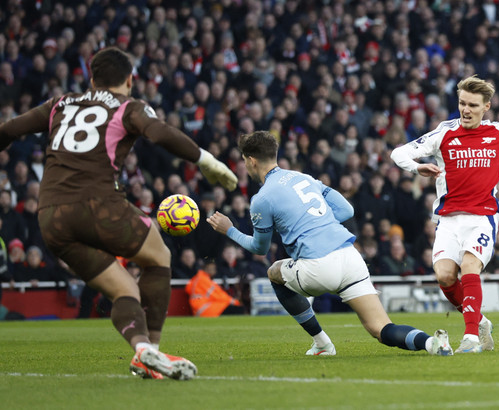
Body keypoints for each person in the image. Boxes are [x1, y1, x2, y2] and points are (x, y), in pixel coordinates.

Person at [0, 47, 238, 380]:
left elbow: (9, 130)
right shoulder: (128, 107)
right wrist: (206, 161)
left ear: (91, 79)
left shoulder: (59, 104)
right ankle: (154, 346)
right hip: (98, 205)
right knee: (158, 257)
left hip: (50, 216)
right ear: (130, 79)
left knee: (123, 290)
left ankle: (141, 351)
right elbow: (160, 133)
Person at [208, 130, 453, 357]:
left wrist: (229, 230)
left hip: (317, 266)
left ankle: (322, 343)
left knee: (274, 272)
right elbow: (347, 209)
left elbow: (260, 249)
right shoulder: (304, 178)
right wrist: (316, 222)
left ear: (250, 160)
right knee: (381, 328)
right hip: (350, 257)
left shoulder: (261, 198)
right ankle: (432, 343)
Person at [390, 75, 499, 353]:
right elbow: (398, 153)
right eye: (462, 103)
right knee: (445, 276)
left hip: (482, 217)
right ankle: (480, 320)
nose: (466, 109)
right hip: (447, 220)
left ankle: (471, 337)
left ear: (486, 107)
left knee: (470, 266)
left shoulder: (497, 133)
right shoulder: (444, 133)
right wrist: (416, 167)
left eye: (473, 105)